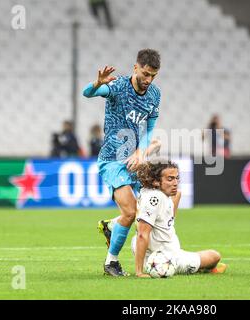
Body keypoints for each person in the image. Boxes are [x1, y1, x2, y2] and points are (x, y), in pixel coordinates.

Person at [82, 49, 162, 276]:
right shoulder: (118, 86)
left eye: (153, 76)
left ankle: (110, 226)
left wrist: (141, 152)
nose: (148, 80)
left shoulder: (155, 94)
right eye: (145, 74)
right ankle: (111, 263)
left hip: (135, 161)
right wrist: (97, 83)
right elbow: (87, 93)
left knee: (140, 211)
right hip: (112, 160)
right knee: (130, 212)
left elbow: (150, 128)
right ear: (135, 67)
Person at [131, 160, 227, 277]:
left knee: (177, 195)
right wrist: (139, 272)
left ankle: (193, 262)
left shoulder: (150, 192)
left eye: (177, 178)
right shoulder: (155, 198)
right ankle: (198, 267)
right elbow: (142, 234)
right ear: (156, 181)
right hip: (165, 257)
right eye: (170, 179)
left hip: (151, 248)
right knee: (214, 256)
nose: (175, 183)